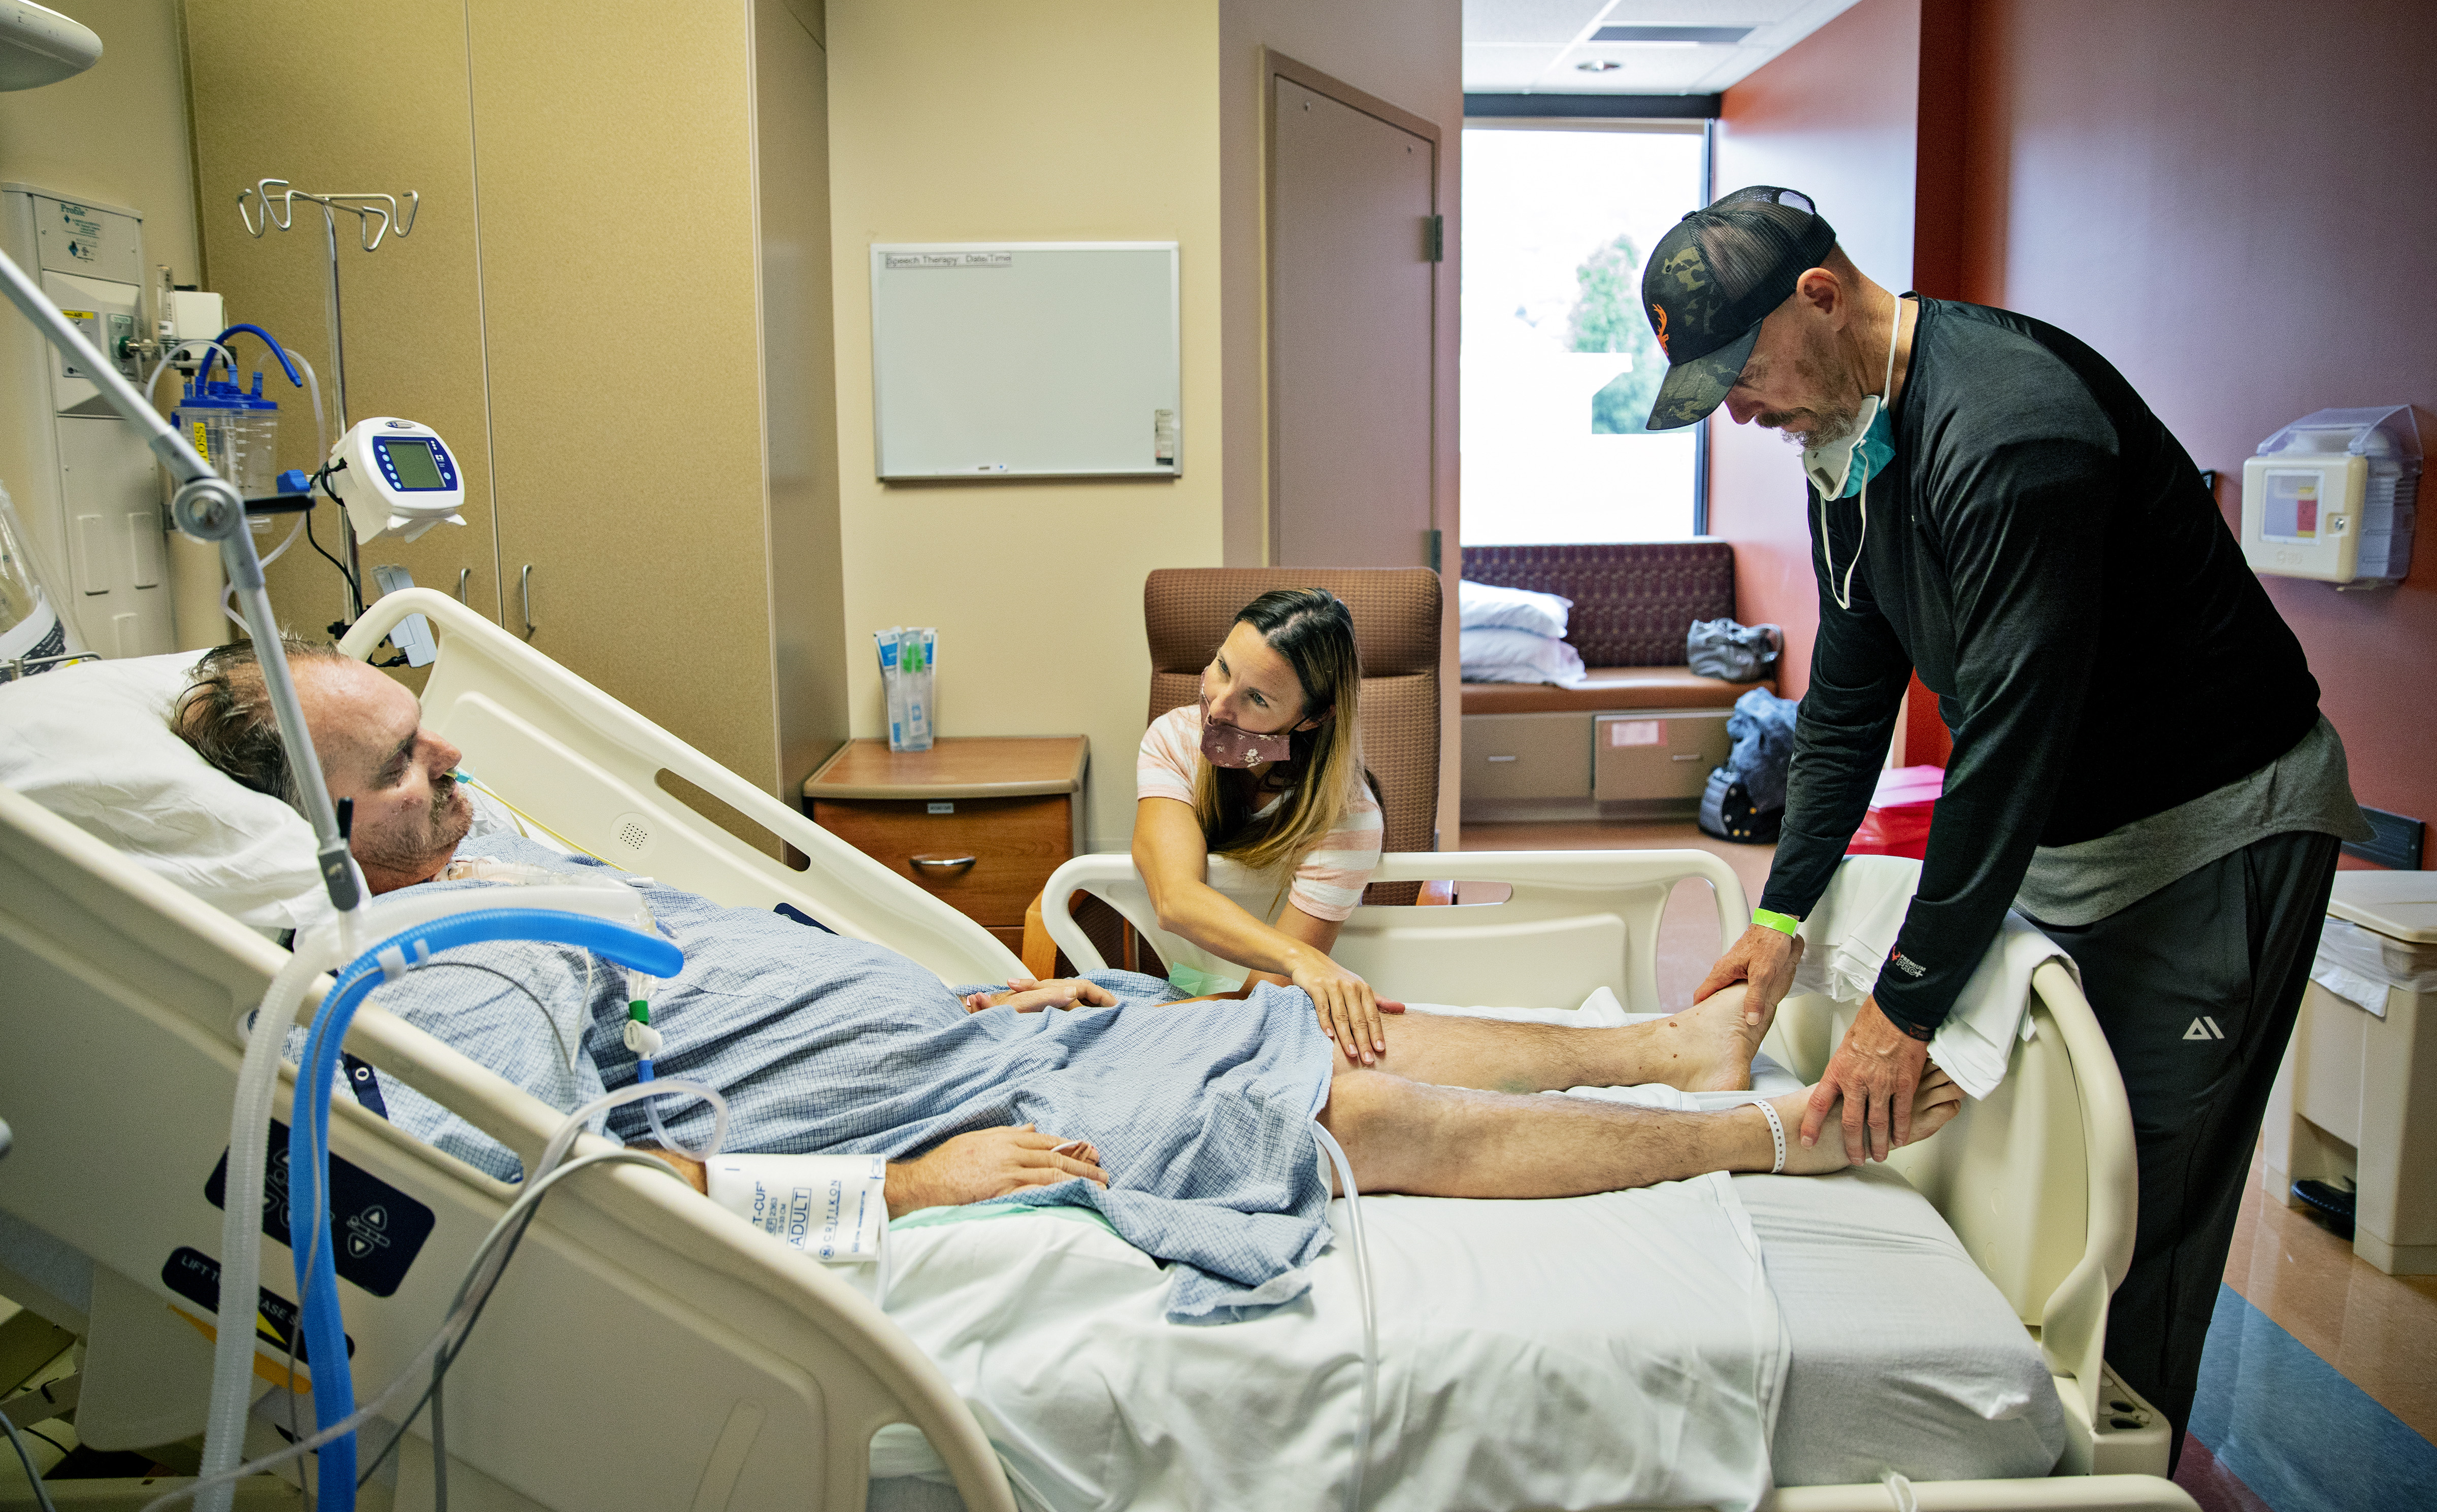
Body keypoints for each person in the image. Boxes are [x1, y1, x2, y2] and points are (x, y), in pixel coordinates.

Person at [171, 638, 1966, 1321]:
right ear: (318, 830)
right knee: (1343, 1099)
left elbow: (709, 981)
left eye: (430, 735)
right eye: (403, 769)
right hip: (931, 1113)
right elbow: (554, 1185)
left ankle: (1669, 1037)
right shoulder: (432, 974)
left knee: (1294, 1017)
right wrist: (901, 1176)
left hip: (960, 1035)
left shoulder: (490, 855)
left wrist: (964, 996)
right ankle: (1764, 1136)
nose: (456, 771)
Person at [1635, 185, 2368, 1461]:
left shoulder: (2010, 430)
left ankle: (2104, 1472)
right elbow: (1851, 699)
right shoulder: (1847, 448)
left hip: (2210, 827)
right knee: (2041, 1152)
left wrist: (1903, 1001)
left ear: (1818, 294)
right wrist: (1779, 912)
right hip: (2066, 827)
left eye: (1737, 372)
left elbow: (2012, 737)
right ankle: (2029, 1450)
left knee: (2134, 1193)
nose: (1735, 410)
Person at [1131, 587, 1392, 1065]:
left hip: (1277, 1018)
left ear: (1312, 718)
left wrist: (1138, 1025)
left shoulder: (1348, 817)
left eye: (1256, 698)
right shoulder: (1174, 740)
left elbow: (1261, 1003)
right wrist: (1301, 958)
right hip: (1189, 990)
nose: (1217, 708)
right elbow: (1174, 900)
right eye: (1223, 668)